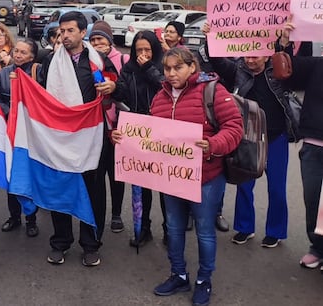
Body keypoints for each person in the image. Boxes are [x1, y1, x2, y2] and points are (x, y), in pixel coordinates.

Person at [143, 47, 242, 306]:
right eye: (167, 69)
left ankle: (203, 280)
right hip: (172, 178)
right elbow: (151, 134)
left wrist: (213, 144)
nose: (172, 73)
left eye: (178, 68)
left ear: (192, 67)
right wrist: (122, 137)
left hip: (206, 177)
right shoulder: (160, 96)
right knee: (174, 229)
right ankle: (179, 274)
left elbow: (234, 127)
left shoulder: (212, 91)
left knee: (205, 232)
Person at [201, 21, 294, 249]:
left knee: (277, 188)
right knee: (244, 185)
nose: (250, 60)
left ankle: (275, 231)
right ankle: (244, 228)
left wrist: (285, 43)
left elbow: (290, 64)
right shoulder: (238, 71)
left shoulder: (278, 71)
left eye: (256, 56)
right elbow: (216, 61)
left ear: (266, 55)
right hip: (247, 139)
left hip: (276, 137)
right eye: (246, 56)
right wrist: (210, 37)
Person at [39, 11, 117, 268]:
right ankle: (60, 242)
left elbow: (121, 86)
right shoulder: (51, 61)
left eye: (70, 30)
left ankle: (91, 245)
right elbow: (39, 95)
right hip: (60, 137)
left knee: (92, 191)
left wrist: (112, 88)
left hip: (93, 136)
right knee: (61, 188)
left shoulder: (100, 61)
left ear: (83, 33)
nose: (65, 35)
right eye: (62, 31)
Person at [276, 20, 323, 269]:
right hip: (315, 145)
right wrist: (284, 43)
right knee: (313, 200)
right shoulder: (317, 65)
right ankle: (317, 248)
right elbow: (286, 73)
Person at [112, 31, 165, 247]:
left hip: (161, 132)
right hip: (137, 132)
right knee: (142, 185)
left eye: (147, 50)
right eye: (139, 50)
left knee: (165, 185)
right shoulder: (128, 69)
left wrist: (148, 69)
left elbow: (167, 86)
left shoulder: (162, 66)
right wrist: (114, 88)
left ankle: (171, 229)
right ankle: (143, 228)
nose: (143, 54)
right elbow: (122, 92)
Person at [0, 38, 40, 237]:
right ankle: (14, 216)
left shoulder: (38, 73)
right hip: (10, 130)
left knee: (29, 174)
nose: (18, 55)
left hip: (31, 132)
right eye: (16, 51)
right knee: (11, 173)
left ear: (32, 56)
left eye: (23, 52)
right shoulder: (3, 74)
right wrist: (11, 112)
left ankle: (31, 219)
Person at [88, 21, 130, 236]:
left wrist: (115, 87)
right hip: (95, 127)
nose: (97, 43)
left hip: (118, 127)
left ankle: (116, 214)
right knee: (97, 176)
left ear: (109, 41)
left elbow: (130, 90)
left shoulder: (124, 59)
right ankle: (98, 217)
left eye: (100, 39)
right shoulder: (87, 61)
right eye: (93, 40)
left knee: (116, 175)